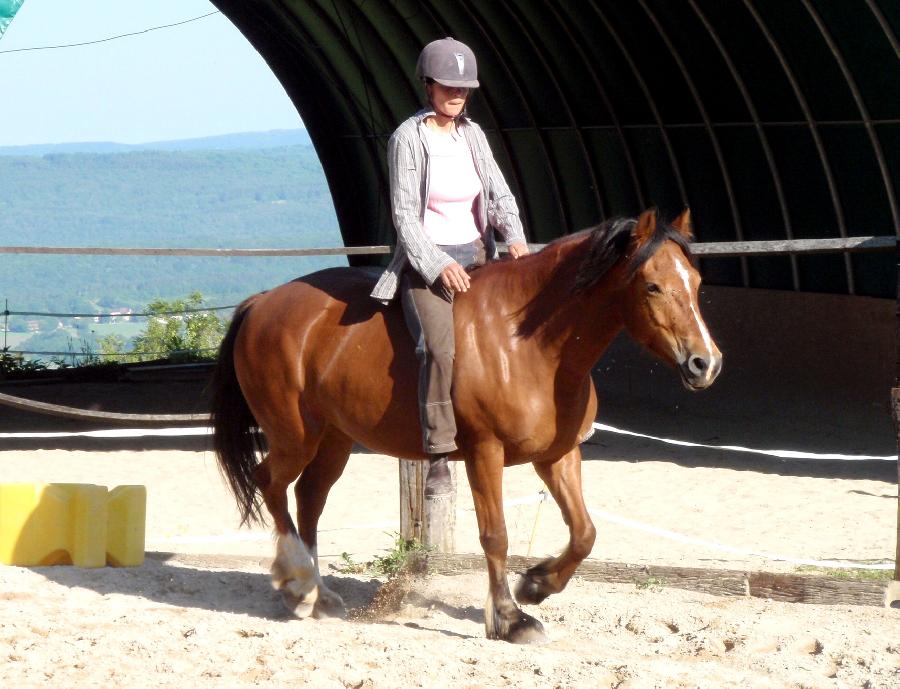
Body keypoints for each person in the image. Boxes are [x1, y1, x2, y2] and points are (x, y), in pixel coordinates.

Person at [371, 37, 529, 497]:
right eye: (447, 87)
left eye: (463, 88)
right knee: (438, 350)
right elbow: (404, 215)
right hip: (428, 265)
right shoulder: (408, 138)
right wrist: (438, 264)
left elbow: (498, 194)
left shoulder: (473, 135)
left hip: (480, 258)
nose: (456, 95)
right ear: (428, 86)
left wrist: (514, 236)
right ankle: (439, 451)